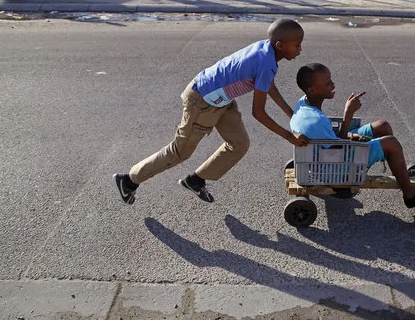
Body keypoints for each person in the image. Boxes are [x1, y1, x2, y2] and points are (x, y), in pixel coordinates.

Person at [113, 19, 310, 205]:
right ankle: (129, 181)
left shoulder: (266, 51)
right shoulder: (266, 62)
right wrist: (289, 136)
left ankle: (195, 181)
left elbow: (267, 84)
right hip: (203, 101)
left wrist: (291, 114)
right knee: (180, 151)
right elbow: (258, 113)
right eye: (297, 45)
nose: (300, 49)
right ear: (280, 45)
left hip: (221, 99)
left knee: (239, 144)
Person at [290, 63, 415, 208]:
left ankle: (401, 175)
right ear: (312, 90)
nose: (333, 84)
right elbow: (340, 150)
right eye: (327, 83)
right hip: (336, 172)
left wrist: (350, 134)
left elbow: (333, 141)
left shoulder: (303, 103)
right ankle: (411, 196)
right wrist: (348, 113)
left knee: (383, 126)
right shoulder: (316, 121)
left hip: (328, 152)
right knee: (391, 144)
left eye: (331, 80)